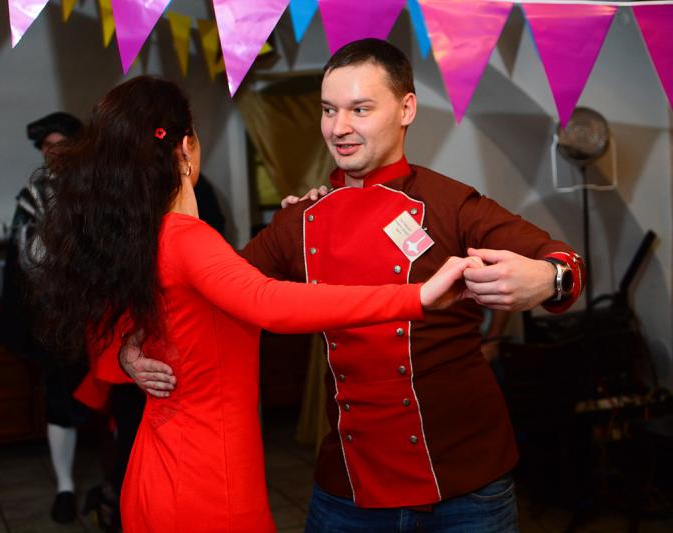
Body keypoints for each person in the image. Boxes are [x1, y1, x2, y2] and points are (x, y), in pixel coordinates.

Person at [122, 39, 585, 532]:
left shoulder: (450, 203)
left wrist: (550, 278)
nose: (339, 127)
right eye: (329, 110)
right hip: (350, 486)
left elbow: (561, 257)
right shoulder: (300, 220)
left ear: (406, 109)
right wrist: (131, 346)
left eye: (360, 109)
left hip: (466, 483)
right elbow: (210, 296)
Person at [25, 75, 484, 532]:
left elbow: (187, 304)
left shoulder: (146, 238)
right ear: (185, 148)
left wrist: (129, 350)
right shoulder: (188, 239)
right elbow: (268, 301)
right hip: (205, 482)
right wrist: (417, 296)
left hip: (159, 467)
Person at [0, 111, 90, 524]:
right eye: (47, 147)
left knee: (118, 396)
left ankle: (121, 482)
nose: (53, 153)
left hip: (106, 313)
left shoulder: (100, 186)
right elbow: (26, 257)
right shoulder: (33, 195)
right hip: (59, 318)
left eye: (60, 144)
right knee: (60, 399)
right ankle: (65, 486)